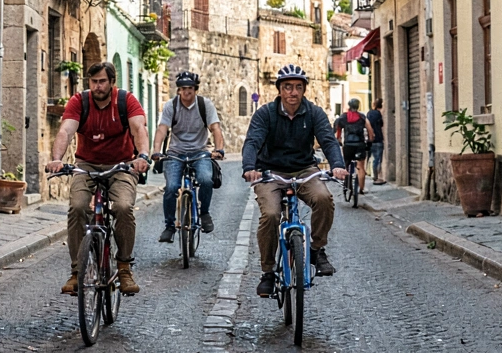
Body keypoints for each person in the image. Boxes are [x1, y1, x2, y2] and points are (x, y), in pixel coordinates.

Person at [241, 64, 347, 298]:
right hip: (270, 172)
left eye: (298, 87)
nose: (293, 92)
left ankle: (317, 249)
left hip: (304, 170)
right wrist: (250, 168)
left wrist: (337, 165)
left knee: (324, 198)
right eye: (287, 87)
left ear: (304, 90)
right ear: (279, 90)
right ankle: (268, 272)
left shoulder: (314, 113)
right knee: (270, 214)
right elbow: (253, 142)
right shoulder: (265, 114)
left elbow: (328, 140)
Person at [46, 62, 151, 297]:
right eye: (93, 81)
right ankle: (76, 273)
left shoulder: (126, 101)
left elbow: (139, 128)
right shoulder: (79, 102)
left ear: (112, 82)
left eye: (102, 81)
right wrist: (57, 159)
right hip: (86, 165)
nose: (97, 86)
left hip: (122, 164)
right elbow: (65, 131)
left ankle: (124, 267)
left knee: (123, 207)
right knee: (78, 207)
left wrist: (142, 156)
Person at [152, 71, 226, 242]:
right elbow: (162, 129)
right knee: (171, 188)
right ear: (178, 90)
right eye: (183, 88)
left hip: (200, 152)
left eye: (190, 88)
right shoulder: (171, 106)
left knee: (206, 179)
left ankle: (205, 213)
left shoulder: (204, 105)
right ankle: (169, 226)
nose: (186, 92)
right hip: (176, 153)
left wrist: (219, 149)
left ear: (195, 89)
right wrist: (156, 151)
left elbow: (215, 128)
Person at [334, 98, 374, 194]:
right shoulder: (362, 117)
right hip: (360, 145)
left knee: (346, 165)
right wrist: (369, 142)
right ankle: (361, 189)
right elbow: (370, 132)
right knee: (360, 167)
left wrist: (339, 140)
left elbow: (337, 132)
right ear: (358, 106)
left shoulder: (343, 117)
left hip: (348, 145)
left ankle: (347, 185)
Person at [367, 99, 386, 185]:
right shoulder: (378, 114)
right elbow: (381, 124)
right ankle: (377, 177)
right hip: (378, 138)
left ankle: (372, 174)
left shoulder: (369, 113)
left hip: (370, 139)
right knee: (378, 159)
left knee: (372, 158)